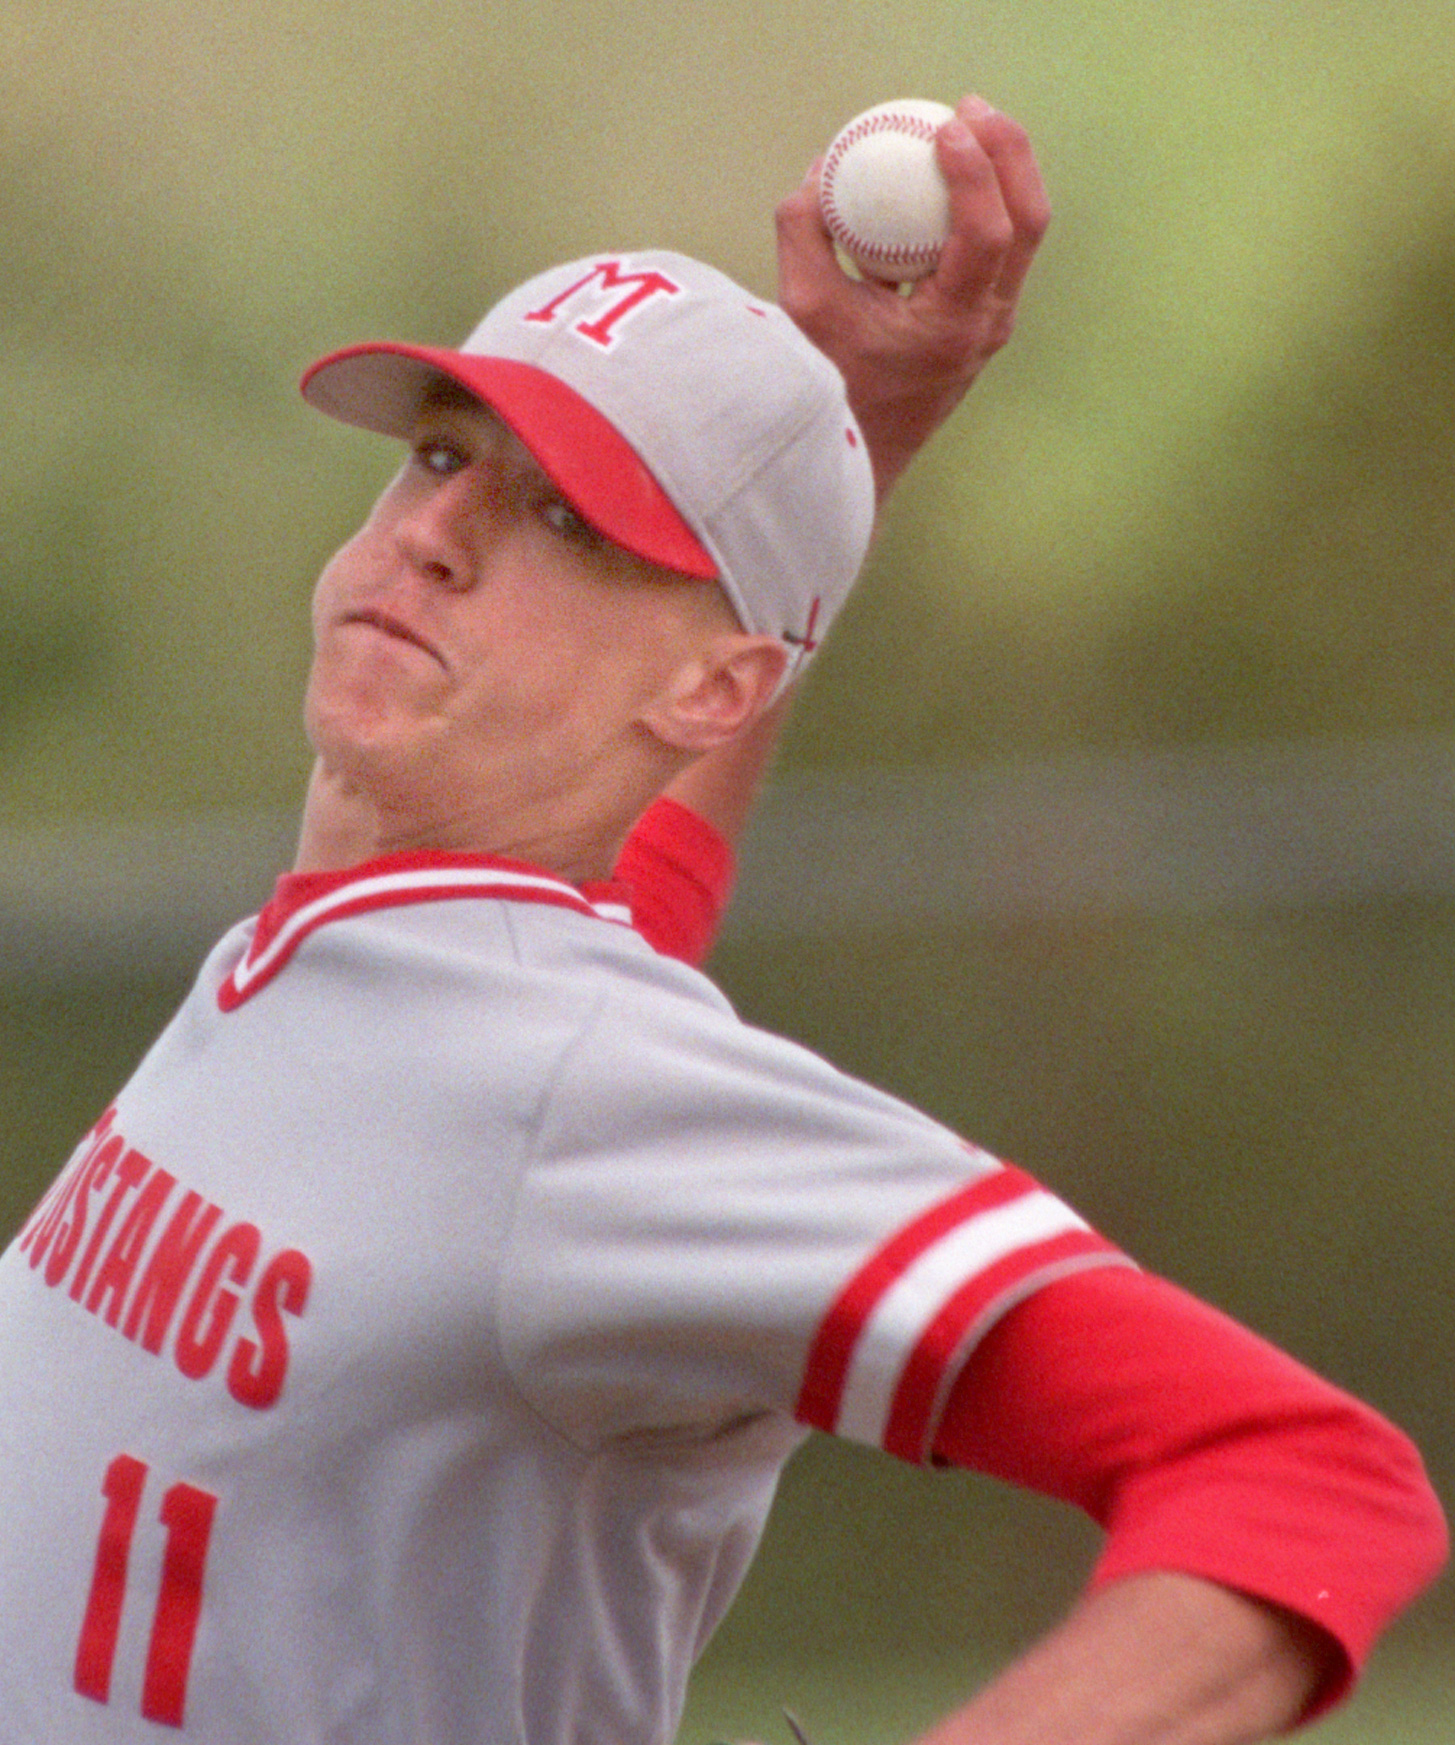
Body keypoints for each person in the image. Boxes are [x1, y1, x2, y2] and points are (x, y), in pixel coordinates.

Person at [0, 98, 1444, 1745]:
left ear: (722, 684)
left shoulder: (571, 1086)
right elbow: (617, 933)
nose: (435, 536)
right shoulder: (403, 962)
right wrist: (849, 439)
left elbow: (1308, 1480)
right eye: (442, 451)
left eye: (564, 519)